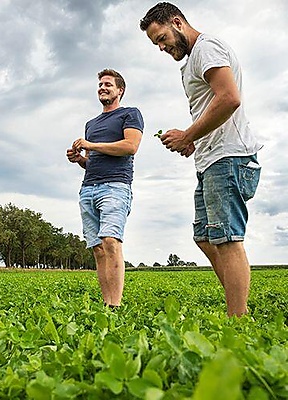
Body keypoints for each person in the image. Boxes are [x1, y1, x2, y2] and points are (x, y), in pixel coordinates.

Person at [140, 3, 262, 317]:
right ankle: (240, 306)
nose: (162, 47)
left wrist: (189, 134)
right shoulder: (191, 61)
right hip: (210, 158)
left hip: (229, 155)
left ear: (177, 22)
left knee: (226, 239)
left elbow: (229, 98)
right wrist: (194, 140)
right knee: (205, 237)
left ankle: (237, 318)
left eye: (162, 38)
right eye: (157, 44)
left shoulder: (206, 49)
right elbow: (212, 104)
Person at [66, 69, 144, 308]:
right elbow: (93, 159)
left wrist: (91, 144)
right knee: (98, 249)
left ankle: (116, 305)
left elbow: (130, 146)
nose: (102, 87)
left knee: (111, 241)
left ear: (120, 90)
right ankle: (106, 304)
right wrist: (80, 159)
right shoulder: (91, 124)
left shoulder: (130, 114)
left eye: (108, 84)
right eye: (100, 84)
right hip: (88, 188)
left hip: (116, 186)